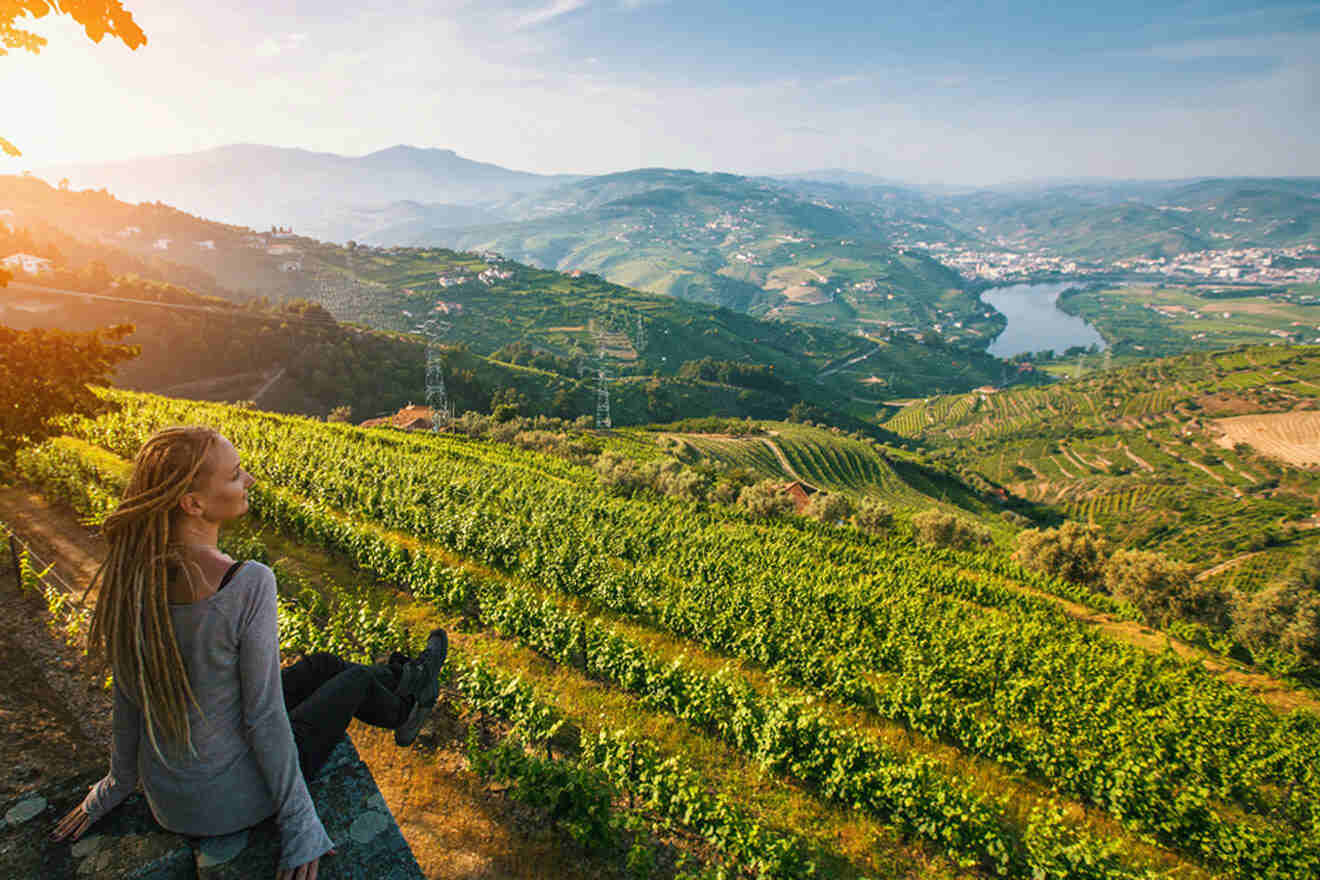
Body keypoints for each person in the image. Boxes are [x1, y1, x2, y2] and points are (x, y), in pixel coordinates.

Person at [47, 426, 447, 880]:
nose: (250, 480)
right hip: (232, 800)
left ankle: (407, 685)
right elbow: (263, 717)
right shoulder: (246, 582)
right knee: (352, 681)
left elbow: (128, 697)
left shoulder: (130, 576)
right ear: (193, 503)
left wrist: (117, 784)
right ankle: (406, 700)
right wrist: (300, 824)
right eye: (236, 474)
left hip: (170, 800)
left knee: (324, 665)